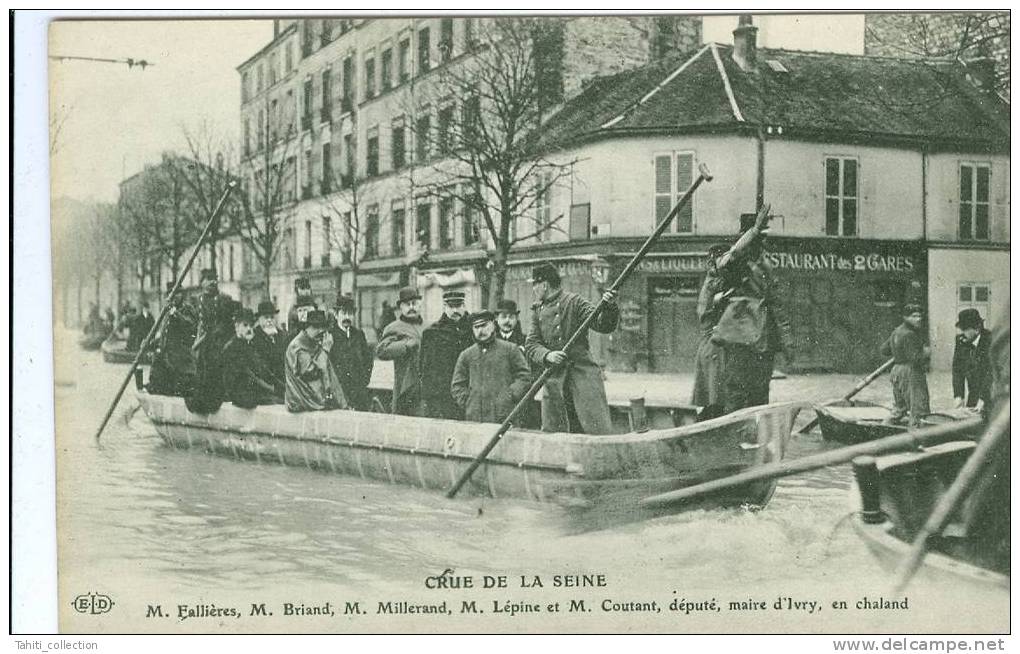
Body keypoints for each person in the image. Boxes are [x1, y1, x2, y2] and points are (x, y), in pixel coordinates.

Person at [709, 206, 794, 414]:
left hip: (764, 338)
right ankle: (732, 439)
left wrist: (787, 341)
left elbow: (777, 304)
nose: (764, 242)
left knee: (760, 393)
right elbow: (732, 255)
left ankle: (756, 438)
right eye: (759, 237)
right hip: (739, 335)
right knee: (736, 391)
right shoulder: (735, 262)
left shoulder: (767, 264)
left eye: (763, 237)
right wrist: (754, 230)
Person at [524, 263, 619, 435]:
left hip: (582, 375)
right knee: (555, 433)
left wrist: (610, 306)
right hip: (554, 380)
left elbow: (603, 325)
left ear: (544, 285)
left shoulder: (574, 302)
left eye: (534, 285)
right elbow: (531, 344)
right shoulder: (537, 311)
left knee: (595, 428)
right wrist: (548, 355)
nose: (533, 289)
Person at [451, 311, 532, 423]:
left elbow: (524, 377)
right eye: (476, 327)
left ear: (493, 325)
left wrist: (510, 396)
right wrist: (468, 402)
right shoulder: (466, 355)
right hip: (475, 417)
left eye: (484, 325)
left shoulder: (510, 349)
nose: (480, 331)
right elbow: (457, 385)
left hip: (504, 416)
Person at [186, 268, 236, 414]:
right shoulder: (196, 301)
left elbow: (228, 324)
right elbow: (193, 323)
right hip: (201, 344)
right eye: (207, 279)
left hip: (219, 343)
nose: (211, 282)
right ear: (201, 282)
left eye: (214, 278)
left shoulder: (224, 300)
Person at [419, 289, 475, 420]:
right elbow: (425, 369)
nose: (455, 310)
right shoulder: (432, 333)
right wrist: (430, 398)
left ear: (464, 306)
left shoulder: (474, 329)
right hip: (443, 395)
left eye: (458, 306)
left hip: (470, 392)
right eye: (451, 306)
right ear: (444, 307)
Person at [691, 244, 731, 419]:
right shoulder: (716, 282)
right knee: (716, 396)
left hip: (708, 345)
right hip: (714, 345)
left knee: (712, 395)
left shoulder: (712, 280)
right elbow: (707, 313)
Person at [285, 309, 348, 412]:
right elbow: (310, 372)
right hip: (302, 399)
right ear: (306, 327)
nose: (320, 331)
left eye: (322, 327)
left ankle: (343, 405)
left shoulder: (313, 342)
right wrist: (325, 351)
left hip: (312, 397)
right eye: (315, 327)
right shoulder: (297, 346)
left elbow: (328, 373)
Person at [880, 303, 931, 427]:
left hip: (896, 370)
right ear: (905, 317)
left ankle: (884, 427)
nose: (918, 319)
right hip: (911, 372)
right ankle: (917, 436)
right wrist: (926, 352)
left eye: (919, 316)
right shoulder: (910, 334)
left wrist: (898, 351)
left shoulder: (896, 331)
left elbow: (884, 350)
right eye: (914, 316)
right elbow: (915, 359)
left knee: (899, 407)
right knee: (918, 408)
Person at [376, 287, 425, 415]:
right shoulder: (393, 327)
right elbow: (382, 350)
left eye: (414, 303)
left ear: (420, 305)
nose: (411, 307)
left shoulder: (428, 326)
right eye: (407, 304)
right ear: (401, 307)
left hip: (425, 388)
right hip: (405, 386)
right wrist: (405, 345)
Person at [221, 308, 282, 408]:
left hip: (252, 389)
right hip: (240, 393)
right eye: (245, 325)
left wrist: (281, 386)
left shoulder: (249, 345)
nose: (249, 329)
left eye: (251, 325)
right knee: (277, 401)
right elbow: (250, 375)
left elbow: (263, 370)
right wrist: (273, 390)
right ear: (237, 326)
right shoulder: (232, 348)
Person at [495, 298, 540, 429]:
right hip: (498, 396)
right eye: (503, 317)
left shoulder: (527, 341)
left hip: (522, 398)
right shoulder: (490, 342)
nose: (507, 321)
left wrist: (524, 388)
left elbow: (536, 369)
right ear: (497, 319)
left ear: (516, 319)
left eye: (511, 317)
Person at [148, 283, 198, 397]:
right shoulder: (167, 312)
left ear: (182, 295)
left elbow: (190, 325)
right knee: (158, 385)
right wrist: (152, 343)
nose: (174, 296)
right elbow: (165, 334)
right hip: (165, 355)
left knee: (181, 386)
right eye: (171, 294)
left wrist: (176, 313)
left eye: (177, 293)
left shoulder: (187, 309)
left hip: (180, 356)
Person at [328, 295, 374, 411]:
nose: (347, 317)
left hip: (359, 394)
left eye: (350, 313)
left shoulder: (359, 335)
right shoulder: (329, 336)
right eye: (343, 313)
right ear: (336, 314)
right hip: (338, 394)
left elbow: (368, 360)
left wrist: (364, 380)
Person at [952, 308, 992, 412]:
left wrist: (983, 398)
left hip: (992, 394)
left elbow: (991, 373)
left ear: (977, 329)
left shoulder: (991, 341)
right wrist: (958, 396)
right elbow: (957, 369)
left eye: (965, 329)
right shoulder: (960, 341)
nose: (962, 333)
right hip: (974, 394)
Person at [252, 300, 289, 396]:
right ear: (259, 320)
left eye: (272, 317)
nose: (269, 320)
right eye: (266, 317)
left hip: (282, 382)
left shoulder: (282, 336)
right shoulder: (254, 337)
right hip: (264, 385)